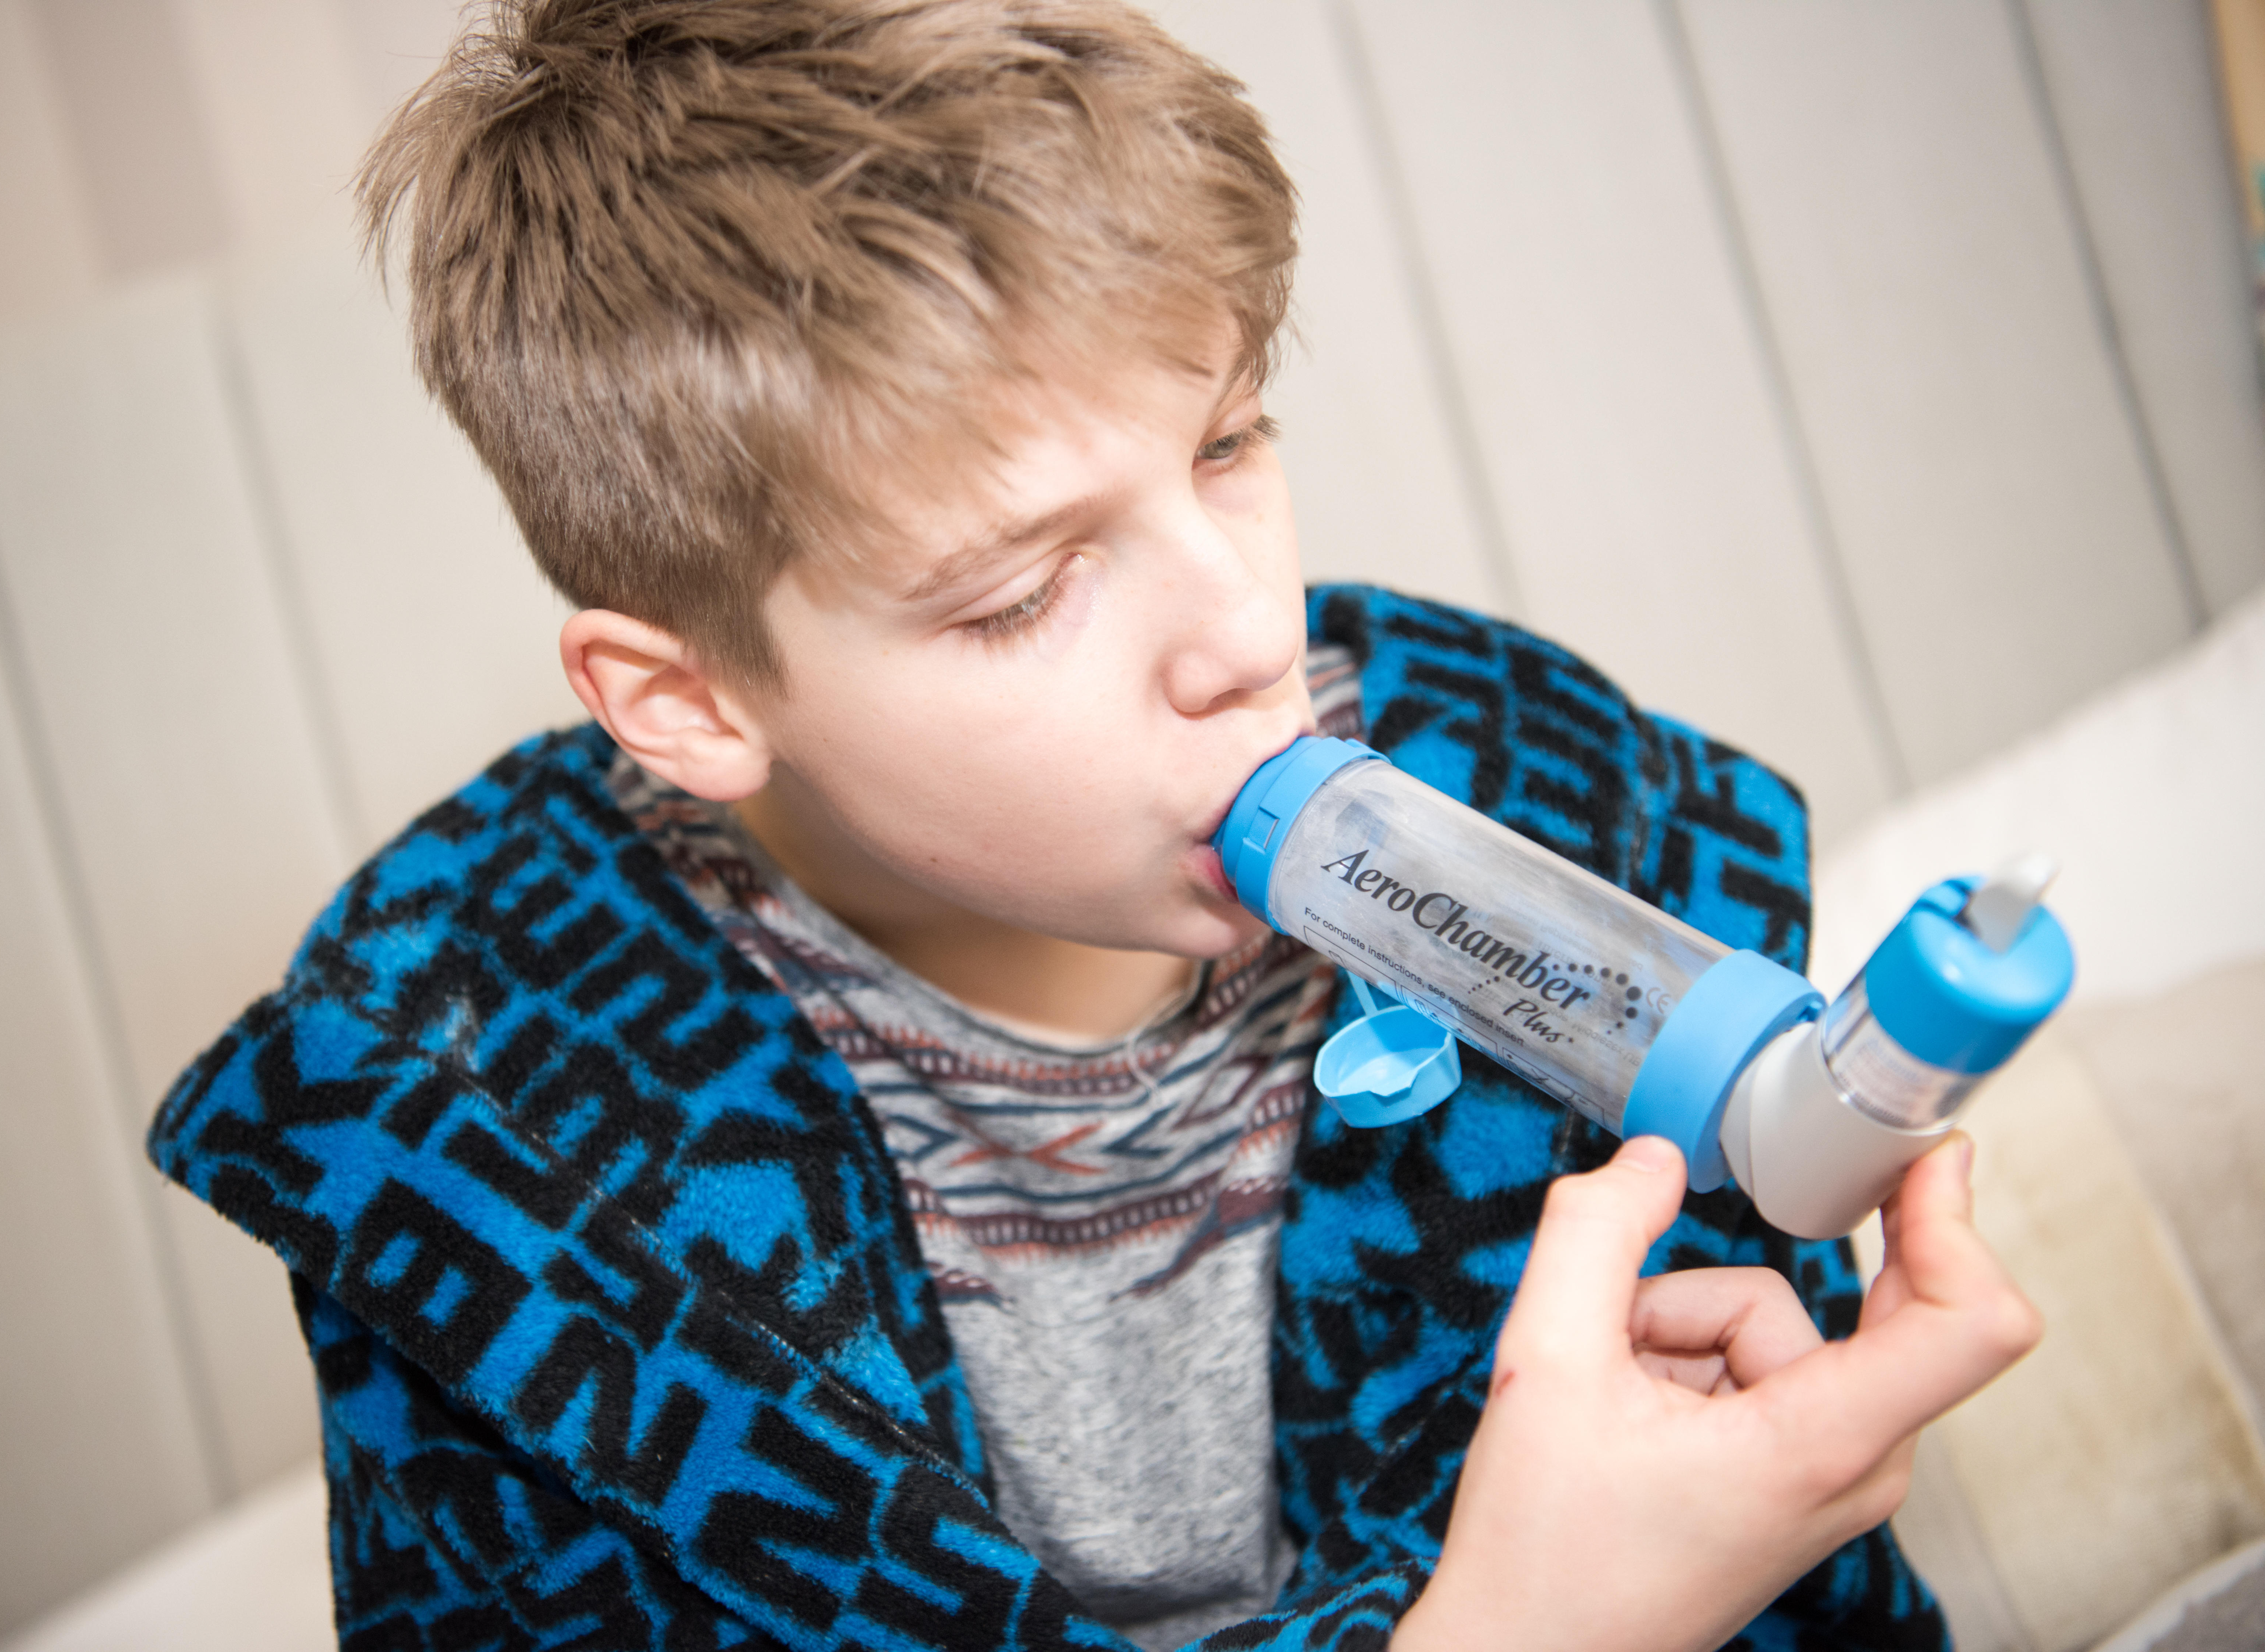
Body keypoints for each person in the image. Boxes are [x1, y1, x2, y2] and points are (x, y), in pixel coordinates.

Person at [148, 3, 2039, 1648]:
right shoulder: (478, 1116)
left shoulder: (1543, 805)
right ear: (694, 702)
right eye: (1020, 593)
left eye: (1226, 442)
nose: (1243, 636)